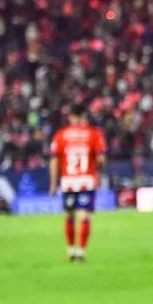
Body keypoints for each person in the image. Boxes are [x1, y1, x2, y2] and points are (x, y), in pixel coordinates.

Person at [49, 105, 106, 263]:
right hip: (86, 181)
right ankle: (81, 251)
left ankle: (71, 250)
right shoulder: (94, 134)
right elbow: (101, 159)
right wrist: (99, 173)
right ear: (83, 116)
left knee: (69, 215)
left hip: (68, 181)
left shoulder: (61, 135)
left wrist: (53, 183)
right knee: (84, 215)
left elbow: (54, 161)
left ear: (71, 117)